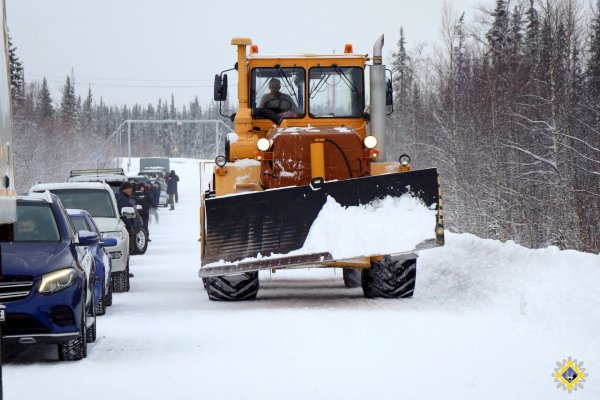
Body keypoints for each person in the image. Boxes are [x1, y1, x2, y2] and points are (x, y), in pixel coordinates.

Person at [115, 181, 136, 277]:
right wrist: (130, 226)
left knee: (127, 251)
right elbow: (126, 215)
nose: (131, 189)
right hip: (126, 228)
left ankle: (126, 271)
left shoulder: (123, 198)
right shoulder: (122, 199)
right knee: (127, 250)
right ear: (124, 189)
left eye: (131, 188)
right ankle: (124, 271)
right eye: (128, 188)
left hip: (126, 227)